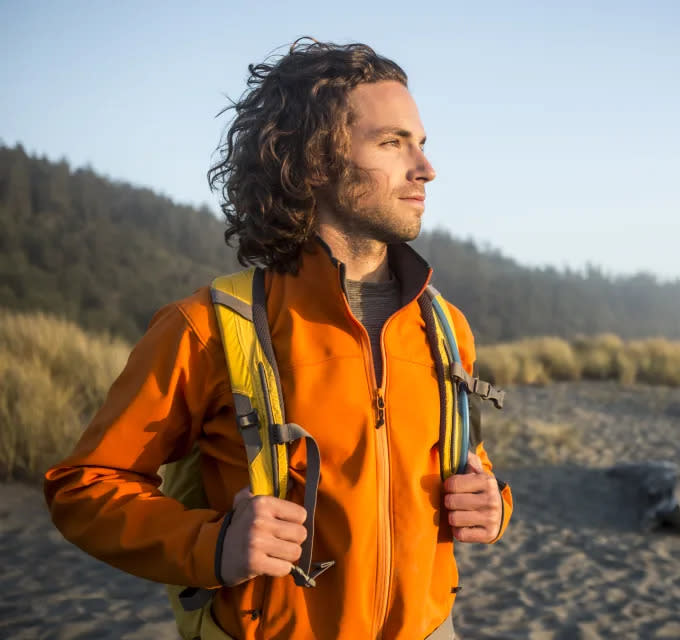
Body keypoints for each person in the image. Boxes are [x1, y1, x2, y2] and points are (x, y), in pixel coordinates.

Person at [44, 39, 513, 640]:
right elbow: (84, 486)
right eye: (392, 143)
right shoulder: (209, 325)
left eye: (420, 144)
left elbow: (458, 458)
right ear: (316, 160)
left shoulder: (445, 325)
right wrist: (211, 545)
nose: (425, 168)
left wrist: (493, 503)